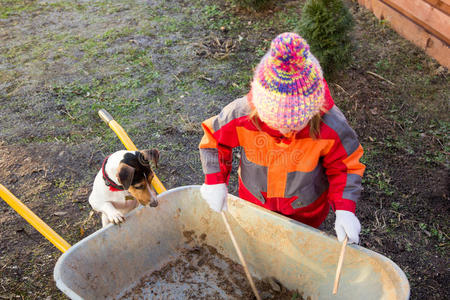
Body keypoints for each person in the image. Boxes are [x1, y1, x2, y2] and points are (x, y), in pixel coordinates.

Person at [198, 32, 365, 244]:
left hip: (305, 214)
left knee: (298, 249)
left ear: (313, 111)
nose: (284, 133)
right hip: (255, 205)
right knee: (258, 245)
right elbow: (214, 140)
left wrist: (344, 209)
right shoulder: (241, 115)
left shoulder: (331, 127)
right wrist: (215, 181)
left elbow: (345, 167)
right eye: (273, 124)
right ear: (259, 107)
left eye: (295, 126)